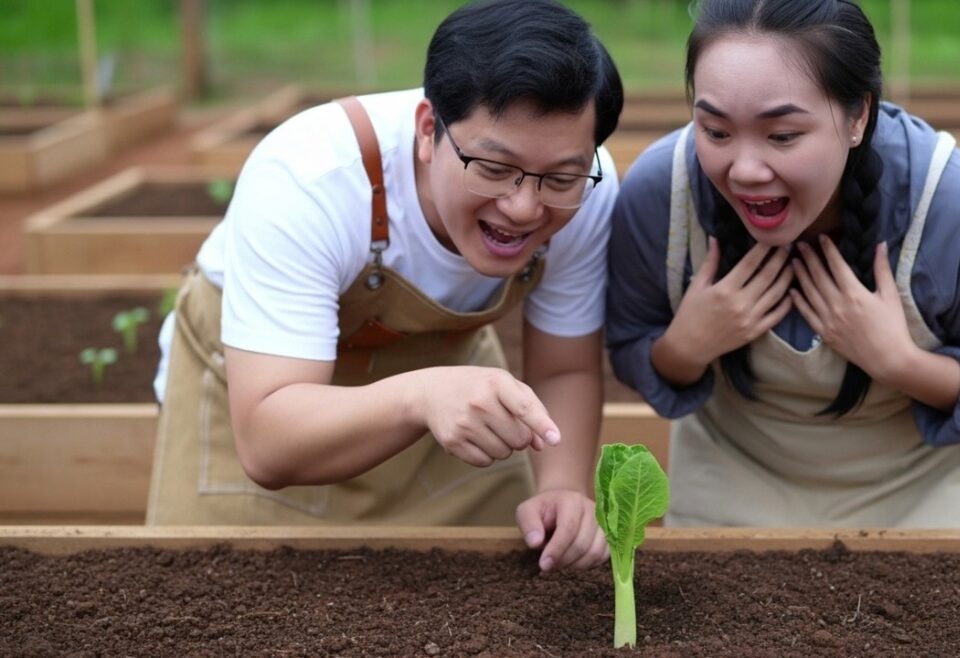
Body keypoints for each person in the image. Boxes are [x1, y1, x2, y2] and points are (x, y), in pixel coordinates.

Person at [147, 0, 623, 572]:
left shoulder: (586, 188)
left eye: (559, 177)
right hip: (261, 400)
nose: (524, 207)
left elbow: (564, 368)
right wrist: (420, 397)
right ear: (427, 130)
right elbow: (268, 442)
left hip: (440, 413)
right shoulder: (310, 179)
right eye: (493, 169)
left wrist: (564, 487)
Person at [606, 0, 960, 527]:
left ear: (858, 116)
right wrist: (684, 349)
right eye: (716, 131)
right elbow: (628, 342)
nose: (745, 170)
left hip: (928, 490)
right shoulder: (664, 194)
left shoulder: (959, 206)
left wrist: (899, 363)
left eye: (783, 136)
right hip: (736, 482)